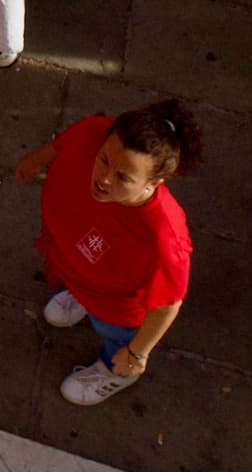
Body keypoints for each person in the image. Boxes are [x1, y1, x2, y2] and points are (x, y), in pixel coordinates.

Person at [19, 99, 202, 407]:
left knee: (115, 336)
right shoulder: (93, 132)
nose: (104, 179)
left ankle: (118, 371)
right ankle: (80, 298)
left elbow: (168, 304)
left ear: (154, 182)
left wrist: (136, 353)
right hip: (76, 264)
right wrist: (34, 160)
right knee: (76, 279)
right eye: (104, 160)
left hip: (115, 306)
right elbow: (61, 146)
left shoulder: (164, 237)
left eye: (123, 177)